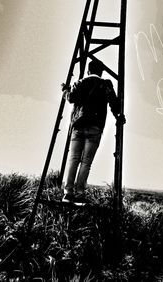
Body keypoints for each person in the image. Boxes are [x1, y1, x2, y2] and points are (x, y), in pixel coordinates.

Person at [61, 60, 126, 205]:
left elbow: (71, 98)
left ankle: (67, 193)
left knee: (73, 159)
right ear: (101, 72)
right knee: (86, 162)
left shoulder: (80, 83)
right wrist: (119, 116)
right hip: (95, 128)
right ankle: (79, 194)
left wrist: (65, 90)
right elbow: (114, 104)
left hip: (78, 126)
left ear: (88, 71)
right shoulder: (106, 84)